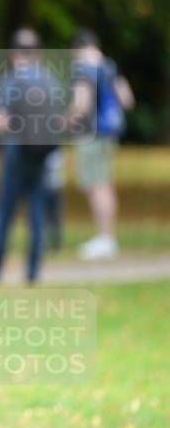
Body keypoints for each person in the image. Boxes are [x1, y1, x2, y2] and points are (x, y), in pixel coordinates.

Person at [0, 28, 62, 284]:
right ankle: (33, 272)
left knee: (4, 212)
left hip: (16, 151)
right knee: (36, 210)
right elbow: (60, 120)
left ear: (13, 53)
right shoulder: (50, 80)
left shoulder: (11, 80)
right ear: (38, 52)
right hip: (42, 153)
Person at [68, 29, 134, 259]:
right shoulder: (110, 66)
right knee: (104, 183)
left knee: (96, 185)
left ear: (76, 49)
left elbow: (82, 105)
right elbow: (127, 100)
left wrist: (64, 121)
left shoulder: (82, 69)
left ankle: (104, 238)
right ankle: (107, 237)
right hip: (109, 134)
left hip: (91, 135)